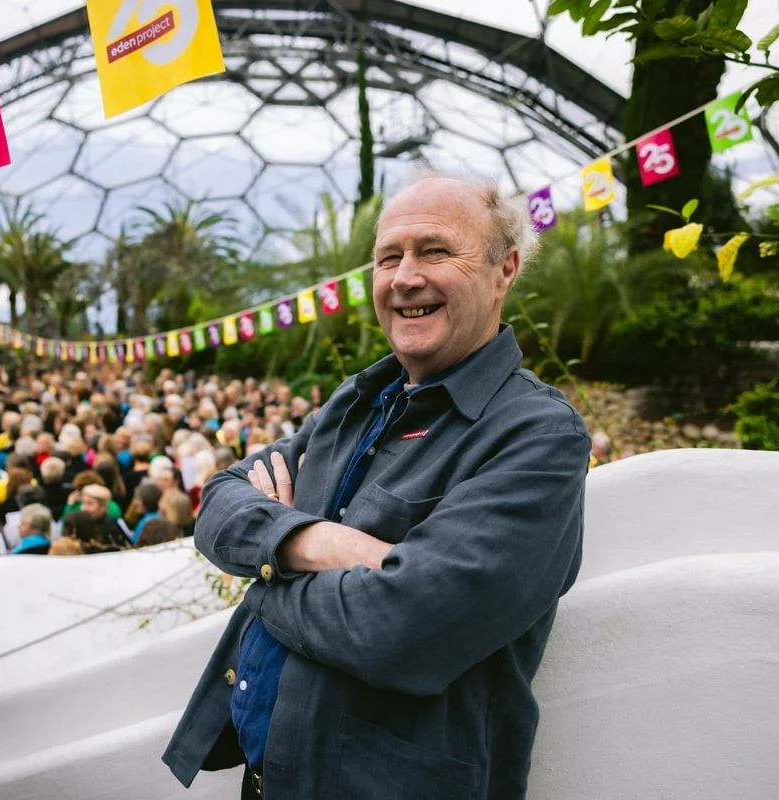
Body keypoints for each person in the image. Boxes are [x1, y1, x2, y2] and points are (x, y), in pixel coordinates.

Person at [162, 176, 591, 799]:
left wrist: (268, 575)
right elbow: (222, 499)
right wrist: (313, 543)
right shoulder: (359, 402)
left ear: (505, 269)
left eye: (435, 251)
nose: (405, 278)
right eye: (389, 257)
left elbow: (403, 630)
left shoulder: (537, 435)